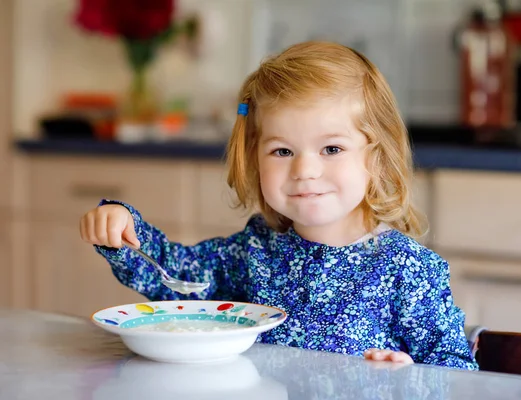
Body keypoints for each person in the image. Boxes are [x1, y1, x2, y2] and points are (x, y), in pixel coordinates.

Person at [80, 41, 477, 370]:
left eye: (332, 148)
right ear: (255, 158)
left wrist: (408, 376)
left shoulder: (406, 268)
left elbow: (456, 370)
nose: (305, 170)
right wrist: (125, 230)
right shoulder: (254, 250)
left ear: (376, 158)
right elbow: (177, 279)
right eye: (283, 150)